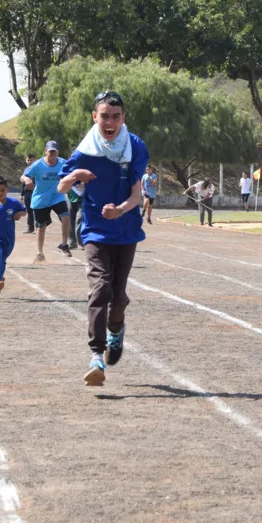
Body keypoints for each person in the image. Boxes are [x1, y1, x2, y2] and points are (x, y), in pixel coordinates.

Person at [58, 90, 149, 386]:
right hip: (96, 229)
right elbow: (61, 187)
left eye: (115, 117)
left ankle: (116, 330)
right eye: (104, 116)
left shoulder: (135, 147)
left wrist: (120, 209)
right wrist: (75, 177)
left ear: (124, 118)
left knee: (118, 296)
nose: (109, 123)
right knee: (100, 288)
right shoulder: (85, 150)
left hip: (126, 228)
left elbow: (137, 195)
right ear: (94, 117)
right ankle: (96, 354)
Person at [22, 141, 72, 262]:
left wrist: (77, 182)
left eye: (54, 151)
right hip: (41, 198)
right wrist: (27, 180)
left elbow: (72, 173)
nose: (52, 154)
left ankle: (64, 245)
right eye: (50, 151)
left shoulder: (62, 163)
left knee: (66, 217)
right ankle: (40, 253)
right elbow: (23, 176)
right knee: (41, 225)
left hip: (57, 196)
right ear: (46, 151)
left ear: (57, 152)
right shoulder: (38, 165)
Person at [20, 153, 36, 234]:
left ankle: (39, 227)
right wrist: (22, 194)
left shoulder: (37, 169)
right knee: (29, 210)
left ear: (34, 160)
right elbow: (23, 183)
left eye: (31, 160)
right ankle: (30, 228)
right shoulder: (26, 170)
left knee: (36, 210)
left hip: (35, 192)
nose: (29, 161)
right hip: (27, 192)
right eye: (28, 160)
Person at [67, 182, 84, 249]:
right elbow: (62, 177)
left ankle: (81, 242)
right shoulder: (68, 171)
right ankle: (72, 242)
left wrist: (84, 184)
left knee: (80, 218)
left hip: (83, 196)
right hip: (71, 195)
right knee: (70, 219)